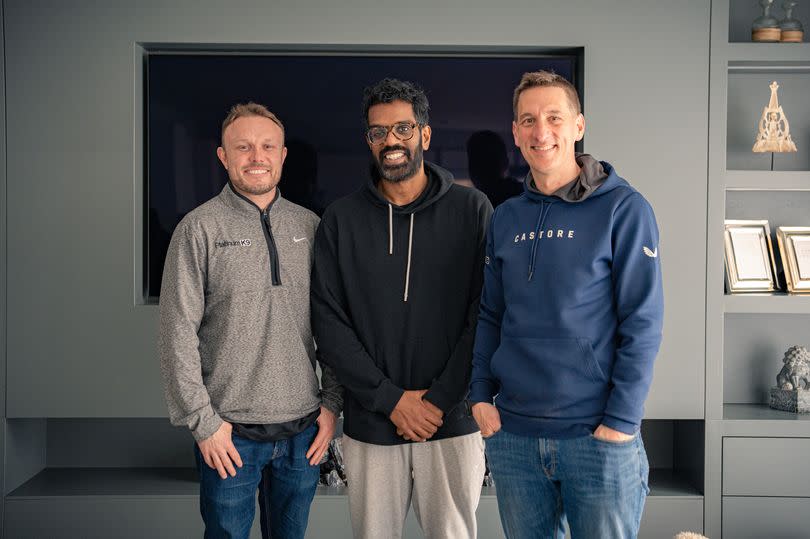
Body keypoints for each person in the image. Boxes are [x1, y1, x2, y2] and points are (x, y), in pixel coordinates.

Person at [469, 70, 664, 539]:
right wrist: (479, 395)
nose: (542, 131)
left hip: (596, 437)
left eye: (554, 117)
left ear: (578, 126)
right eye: (529, 120)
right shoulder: (507, 218)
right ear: (515, 133)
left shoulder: (624, 208)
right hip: (514, 436)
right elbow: (491, 313)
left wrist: (620, 422)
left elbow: (643, 321)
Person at [311, 78, 493, 539]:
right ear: (368, 141)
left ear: (425, 135)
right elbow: (328, 323)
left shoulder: (473, 210)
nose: (391, 141)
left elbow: (487, 313)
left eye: (402, 129)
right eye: (378, 132)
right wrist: (391, 400)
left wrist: (437, 400)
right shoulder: (340, 220)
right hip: (372, 423)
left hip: (451, 420)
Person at [159, 102, 342, 539]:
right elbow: (175, 334)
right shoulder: (198, 229)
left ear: (282, 155)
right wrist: (204, 423)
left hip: (304, 431)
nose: (256, 156)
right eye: (243, 147)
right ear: (223, 156)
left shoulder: (311, 226)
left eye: (267, 146)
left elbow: (333, 323)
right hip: (229, 435)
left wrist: (332, 405)